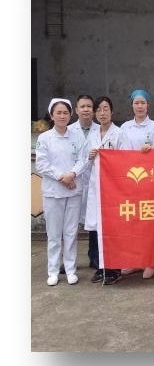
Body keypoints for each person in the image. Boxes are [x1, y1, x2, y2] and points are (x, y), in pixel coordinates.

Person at [35, 98, 88, 286]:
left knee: (71, 232)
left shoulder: (77, 137)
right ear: (51, 115)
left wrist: (72, 174)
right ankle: (53, 271)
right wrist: (62, 177)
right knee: (54, 234)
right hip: (53, 192)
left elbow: (83, 160)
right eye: (58, 113)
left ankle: (71, 270)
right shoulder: (44, 138)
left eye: (65, 113)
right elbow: (42, 163)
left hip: (73, 191)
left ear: (70, 115)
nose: (62, 116)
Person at [119, 89, 154, 279]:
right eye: (136, 103)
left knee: (149, 222)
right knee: (133, 222)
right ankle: (134, 261)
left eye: (143, 103)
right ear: (132, 105)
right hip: (131, 180)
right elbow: (120, 154)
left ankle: (150, 261)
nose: (140, 106)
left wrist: (152, 150)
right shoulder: (124, 128)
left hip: (150, 182)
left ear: (148, 105)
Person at [84, 96, 124, 285]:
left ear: (111, 112)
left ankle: (115, 268)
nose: (102, 113)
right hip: (96, 186)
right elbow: (85, 162)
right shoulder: (92, 136)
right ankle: (102, 267)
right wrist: (90, 157)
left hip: (113, 188)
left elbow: (125, 159)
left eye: (105, 109)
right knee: (97, 228)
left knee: (113, 227)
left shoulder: (119, 133)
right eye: (99, 110)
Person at [68, 94, 100, 272]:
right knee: (70, 224)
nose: (86, 109)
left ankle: (94, 256)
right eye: (83, 106)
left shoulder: (101, 129)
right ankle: (69, 261)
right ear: (76, 110)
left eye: (89, 106)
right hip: (74, 182)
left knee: (94, 221)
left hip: (95, 182)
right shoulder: (69, 130)